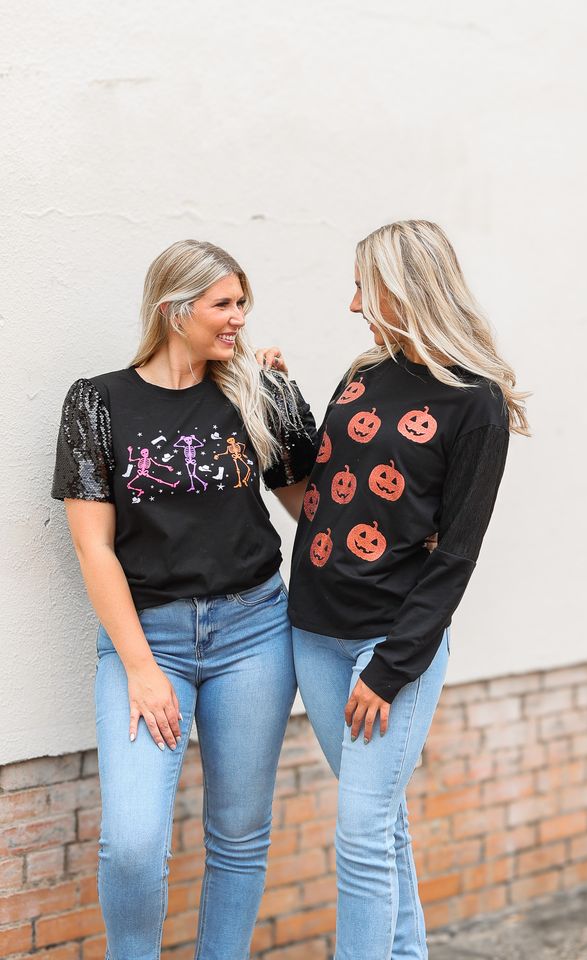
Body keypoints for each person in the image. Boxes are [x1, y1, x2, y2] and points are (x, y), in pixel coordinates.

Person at [51, 239, 315, 960]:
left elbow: (311, 507)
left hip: (254, 633)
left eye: (242, 304)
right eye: (224, 305)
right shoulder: (99, 402)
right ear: (176, 310)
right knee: (133, 842)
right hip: (149, 641)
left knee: (238, 834)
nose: (239, 319)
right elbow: (93, 547)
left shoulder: (256, 391)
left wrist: (294, 407)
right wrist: (139, 667)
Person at [285, 220, 530, 959]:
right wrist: (277, 398)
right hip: (314, 632)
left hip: (390, 644)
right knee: (380, 822)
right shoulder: (363, 373)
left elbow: (456, 555)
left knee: (360, 833)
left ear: (404, 287)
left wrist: (392, 669)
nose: (355, 304)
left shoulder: (474, 402)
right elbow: (316, 493)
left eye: (365, 286)